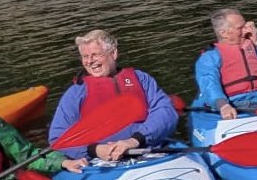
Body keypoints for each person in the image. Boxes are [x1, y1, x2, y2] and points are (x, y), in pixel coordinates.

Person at [49, 30, 178, 162]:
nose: (90, 61)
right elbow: (57, 138)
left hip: (147, 148)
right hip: (101, 162)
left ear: (113, 53)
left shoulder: (141, 79)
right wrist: (95, 150)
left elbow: (166, 112)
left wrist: (134, 140)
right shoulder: (75, 93)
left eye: (96, 55)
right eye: (85, 56)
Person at [193, 8, 257, 120]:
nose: (246, 31)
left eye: (246, 26)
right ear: (224, 33)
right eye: (240, 28)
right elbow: (209, 84)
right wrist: (223, 106)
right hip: (235, 103)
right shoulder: (210, 57)